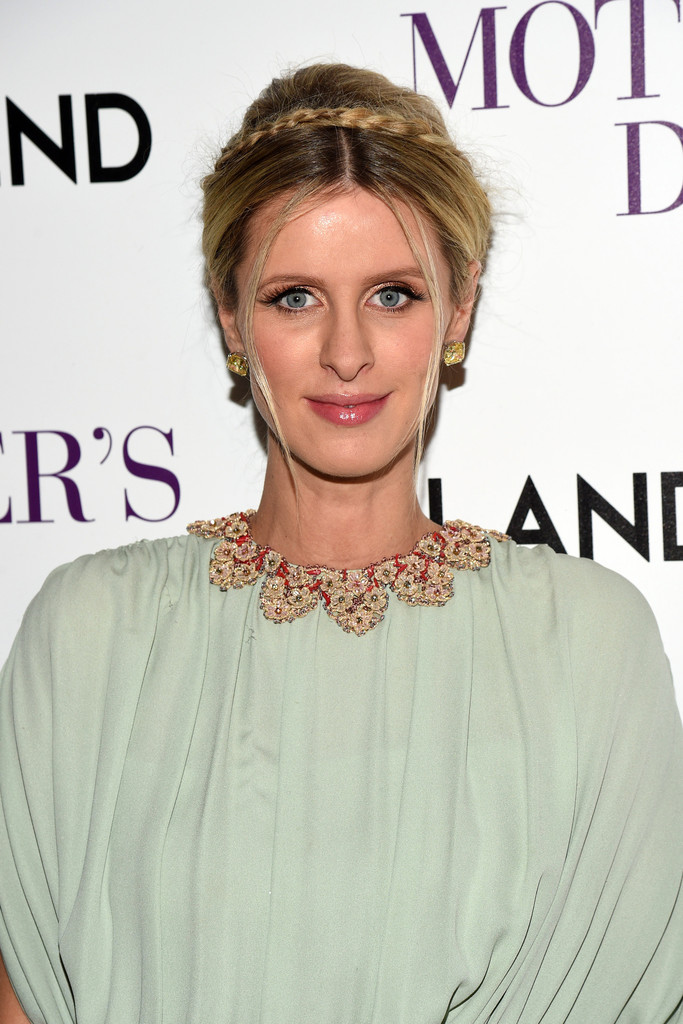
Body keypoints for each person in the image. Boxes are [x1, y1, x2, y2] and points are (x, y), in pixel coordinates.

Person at [1, 62, 682, 1024]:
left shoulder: (586, 642)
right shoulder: (94, 633)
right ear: (230, 314)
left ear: (459, 305)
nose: (347, 352)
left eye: (393, 294)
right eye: (294, 297)